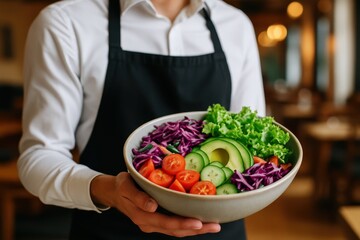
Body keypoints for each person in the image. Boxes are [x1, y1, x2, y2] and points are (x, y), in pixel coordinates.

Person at [18, 0, 266, 239]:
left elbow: (255, 144)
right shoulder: (66, 23)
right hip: (109, 231)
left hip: (220, 234)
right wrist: (108, 191)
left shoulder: (235, 25)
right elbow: (39, 156)